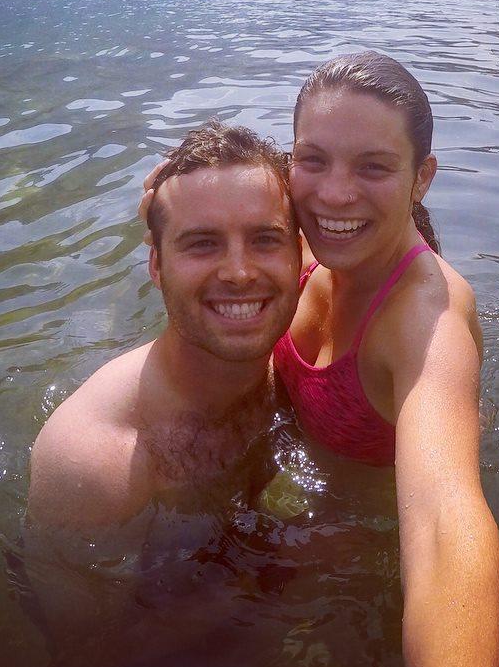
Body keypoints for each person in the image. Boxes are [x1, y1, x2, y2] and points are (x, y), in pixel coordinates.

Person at [139, 50, 499, 667]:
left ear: (423, 178)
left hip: (358, 562)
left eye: (374, 167)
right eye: (313, 160)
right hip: (280, 499)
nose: (335, 192)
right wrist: (160, 210)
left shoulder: (423, 321)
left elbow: (447, 525)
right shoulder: (312, 238)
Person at [27, 119, 300, 529]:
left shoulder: (311, 331)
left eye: (265, 239)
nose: (240, 273)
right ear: (156, 264)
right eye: (202, 243)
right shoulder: (92, 464)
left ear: (299, 253)